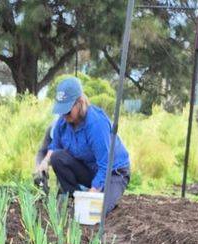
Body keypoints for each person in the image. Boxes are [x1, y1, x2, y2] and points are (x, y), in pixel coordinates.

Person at [34, 77, 131, 213]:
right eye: (61, 111)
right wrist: (44, 163)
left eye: (67, 110)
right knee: (57, 157)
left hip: (113, 173)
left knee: (97, 210)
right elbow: (54, 147)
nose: (64, 115)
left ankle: (97, 197)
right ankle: (74, 198)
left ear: (80, 103)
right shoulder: (63, 122)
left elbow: (105, 164)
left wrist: (93, 191)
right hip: (89, 169)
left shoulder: (95, 124)